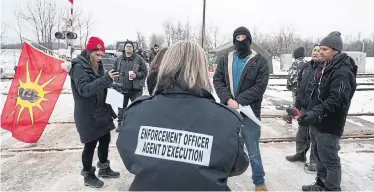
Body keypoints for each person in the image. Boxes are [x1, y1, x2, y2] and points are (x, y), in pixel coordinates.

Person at [116, 41, 249, 191]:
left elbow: (127, 154)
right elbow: (238, 165)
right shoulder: (227, 120)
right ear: (202, 69)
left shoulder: (136, 111)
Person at [298, 31, 357, 191]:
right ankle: (320, 183)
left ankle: (332, 188)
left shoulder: (342, 71)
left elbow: (337, 99)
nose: (320, 51)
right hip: (319, 122)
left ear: (335, 50)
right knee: (318, 155)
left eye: (324, 49)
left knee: (330, 159)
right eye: (320, 48)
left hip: (330, 124)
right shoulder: (327, 67)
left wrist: (315, 113)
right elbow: (317, 94)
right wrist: (308, 112)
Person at [213, 26, 269, 191]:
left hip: (249, 113)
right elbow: (218, 81)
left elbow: (260, 86)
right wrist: (227, 99)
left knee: (253, 149)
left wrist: (239, 101)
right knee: (223, 147)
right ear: (233, 40)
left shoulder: (259, 61)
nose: (241, 40)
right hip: (228, 111)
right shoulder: (226, 59)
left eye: (244, 37)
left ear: (249, 40)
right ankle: (219, 179)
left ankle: (259, 182)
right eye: (237, 37)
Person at [68, 36, 121, 188]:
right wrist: (105, 79)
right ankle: (88, 175)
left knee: (105, 140)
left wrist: (112, 86)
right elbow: (84, 90)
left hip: (101, 111)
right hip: (87, 114)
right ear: (89, 51)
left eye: (102, 55)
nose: (100, 58)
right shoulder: (78, 67)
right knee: (90, 145)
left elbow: (100, 85)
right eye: (97, 54)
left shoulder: (97, 65)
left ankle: (104, 168)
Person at [285, 45, 321, 171]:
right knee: (302, 132)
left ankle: (314, 161)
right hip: (305, 106)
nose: (316, 53)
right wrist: (298, 104)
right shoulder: (306, 67)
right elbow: (300, 86)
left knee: (315, 135)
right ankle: (300, 154)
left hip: (316, 108)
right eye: (314, 50)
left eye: (319, 50)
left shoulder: (325, 68)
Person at [112, 40, 148, 131]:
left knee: (137, 108)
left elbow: (145, 72)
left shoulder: (139, 59)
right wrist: (116, 80)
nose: (128, 48)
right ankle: (120, 124)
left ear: (133, 48)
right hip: (122, 88)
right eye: (127, 46)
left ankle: (136, 125)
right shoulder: (119, 59)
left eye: (130, 46)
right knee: (121, 108)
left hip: (135, 89)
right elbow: (114, 71)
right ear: (124, 48)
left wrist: (137, 75)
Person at [283, 46, 308, 124]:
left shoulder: (295, 64)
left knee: (295, 103)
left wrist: (289, 85)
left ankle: (291, 117)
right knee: (303, 105)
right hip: (305, 89)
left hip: (295, 89)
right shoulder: (307, 63)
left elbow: (291, 76)